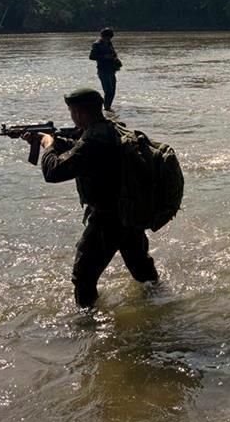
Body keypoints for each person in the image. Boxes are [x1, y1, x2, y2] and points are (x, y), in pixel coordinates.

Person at [26, 88, 158, 308]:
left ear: (80, 113)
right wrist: (56, 142)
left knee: (83, 277)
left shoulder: (95, 140)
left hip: (108, 218)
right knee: (141, 268)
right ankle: (160, 303)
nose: (71, 116)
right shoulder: (109, 129)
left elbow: (54, 172)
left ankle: (87, 327)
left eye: (72, 112)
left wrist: (47, 146)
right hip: (128, 212)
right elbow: (84, 153)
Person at [89, 27, 122, 111]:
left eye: (110, 37)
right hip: (103, 70)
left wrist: (115, 57)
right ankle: (106, 108)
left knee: (113, 91)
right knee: (108, 91)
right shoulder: (97, 44)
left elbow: (113, 53)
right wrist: (104, 56)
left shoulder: (109, 43)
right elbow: (91, 57)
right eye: (107, 37)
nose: (108, 39)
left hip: (111, 70)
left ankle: (108, 108)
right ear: (103, 36)